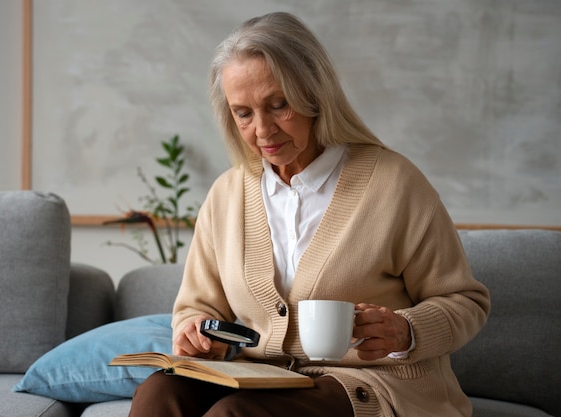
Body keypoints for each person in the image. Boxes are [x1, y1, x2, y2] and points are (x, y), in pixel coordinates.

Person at [129, 11, 490, 417]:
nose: (262, 130)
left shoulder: (395, 183)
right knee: (160, 392)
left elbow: (464, 300)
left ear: (315, 94)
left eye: (278, 105)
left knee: (236, 415)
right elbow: (198, 308)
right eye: (243, 113)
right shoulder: (226, 195)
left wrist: (405, 330)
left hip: (367, 384)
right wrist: (196, 332)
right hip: (259, 379)